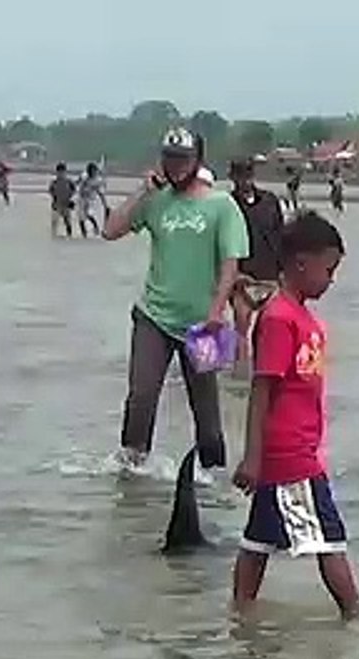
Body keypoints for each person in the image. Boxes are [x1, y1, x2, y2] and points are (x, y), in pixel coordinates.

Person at [232, 211, 359, 619]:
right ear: (301, 263)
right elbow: (262, 388)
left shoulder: (303, 318)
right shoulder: (278, 319)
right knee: (329, 539)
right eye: (329, 269)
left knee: (258, 543)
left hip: (297, 448)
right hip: (292, 457)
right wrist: (254, 457)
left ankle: (240, 613)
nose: (331, 280)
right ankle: (355, 612)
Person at [102, 127, 249, 483]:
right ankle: (131, 477)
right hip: (153, 316)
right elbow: (110, 230)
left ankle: (212, 481)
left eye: (183, 159)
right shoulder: (156, 200)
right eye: (169, 157)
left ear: (197, 161)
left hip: (203, 324)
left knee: (208, 416)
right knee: (142, 397)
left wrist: (217, 311)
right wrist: (143, 191)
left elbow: (231, 263)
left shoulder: (221, 205)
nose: (175, 166)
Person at [228, 157, 287, 377]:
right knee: (241, 325)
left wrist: (283, 271)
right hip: (241, 277)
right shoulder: (227, 204)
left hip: (270, 276)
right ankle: (240, 376)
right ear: (233, 178)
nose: (245, 180)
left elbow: (281, 235)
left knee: (270, 328)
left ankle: (267, 371)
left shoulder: (270, 201)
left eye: (248, 174)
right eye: (240, 175)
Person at [77, 162, 108, 237]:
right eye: (92, 171)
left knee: (88, 214)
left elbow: (100, 193)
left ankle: (96, 227)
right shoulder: (84, 176)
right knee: (81, 218)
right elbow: (77, 183)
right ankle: (84, 235)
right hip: (81, 198)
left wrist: (105, 204)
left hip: (91, 199)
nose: (94, 173)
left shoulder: (98, 180)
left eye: (95, 171)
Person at [48, 163, 76, 238]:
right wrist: (55, 200)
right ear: (57, 172)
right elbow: (51, 191)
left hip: (66, 204)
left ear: (65, 172)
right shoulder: (54, 182)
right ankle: (53, 236)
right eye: (59, 172)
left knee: (67, 222)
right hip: (57, 204)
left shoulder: (69, 182)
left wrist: (70, 199)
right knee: (54, 221)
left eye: (62, 172)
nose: (61, 174)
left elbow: (74, 191)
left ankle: (69, 236)